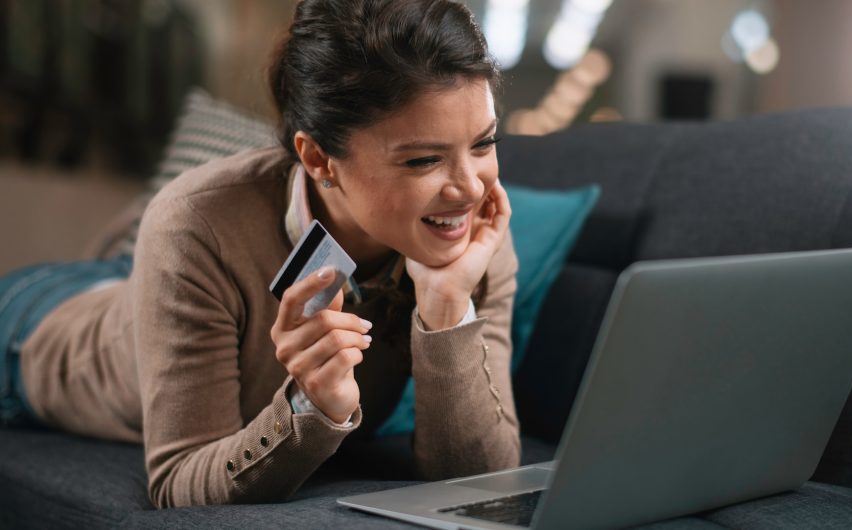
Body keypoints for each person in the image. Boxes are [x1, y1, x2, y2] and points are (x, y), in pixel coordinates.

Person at [0, 0, 520, 507]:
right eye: (425, 160)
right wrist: (308, 408)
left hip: (165, 283)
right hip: (39, 328)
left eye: (483, 144)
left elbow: (481, 484)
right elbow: (178, 481)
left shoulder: (467, 233)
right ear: (319, 158)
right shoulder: (195, 221)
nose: (470, 188)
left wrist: (448, 306)